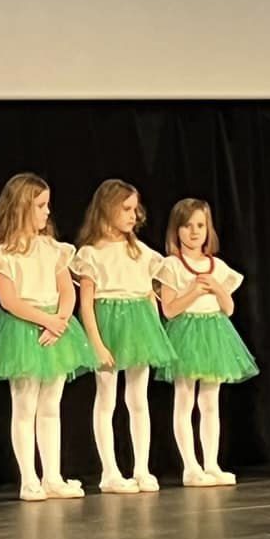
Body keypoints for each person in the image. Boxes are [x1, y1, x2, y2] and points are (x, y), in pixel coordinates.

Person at [0, 174, 92, 501]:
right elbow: (9, 300)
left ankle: (52, 476)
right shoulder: (1, 255)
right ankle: (29, 478)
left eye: (47, 205)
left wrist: (60, 321)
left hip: (54, 328)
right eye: (41, 205)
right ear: (21, 208)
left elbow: (67, 291)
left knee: (51, 405)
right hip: (22, 328)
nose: (47, 212)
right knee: (25, 405)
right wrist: (47, 321)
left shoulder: (54, 249)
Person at [74, 179, 177, 494]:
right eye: (127, 209)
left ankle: (142, 468)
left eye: (135, 209)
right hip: (108, 323)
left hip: (139, 325)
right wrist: (96, 343)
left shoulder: (142, 252)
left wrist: (154, 332)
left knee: (138, 399)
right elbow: (86, 304)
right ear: (107, 209)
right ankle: (110, 471)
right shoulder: (91, 253)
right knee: (106, 398)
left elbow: (149, 296)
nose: (134, 215)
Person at [155, 198, 256, 487]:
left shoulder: (218, 266)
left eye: (200, 225)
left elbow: (229, 308)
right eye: (187, 226)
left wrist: (216, 288)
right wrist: (194, 290)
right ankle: (191, 466)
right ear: (176, 230)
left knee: (210, 401)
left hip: (215, 333)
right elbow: (169, 310)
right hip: (186, 334)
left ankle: (211, 464)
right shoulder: (171, 265)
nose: (194, 232)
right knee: (184, 399)